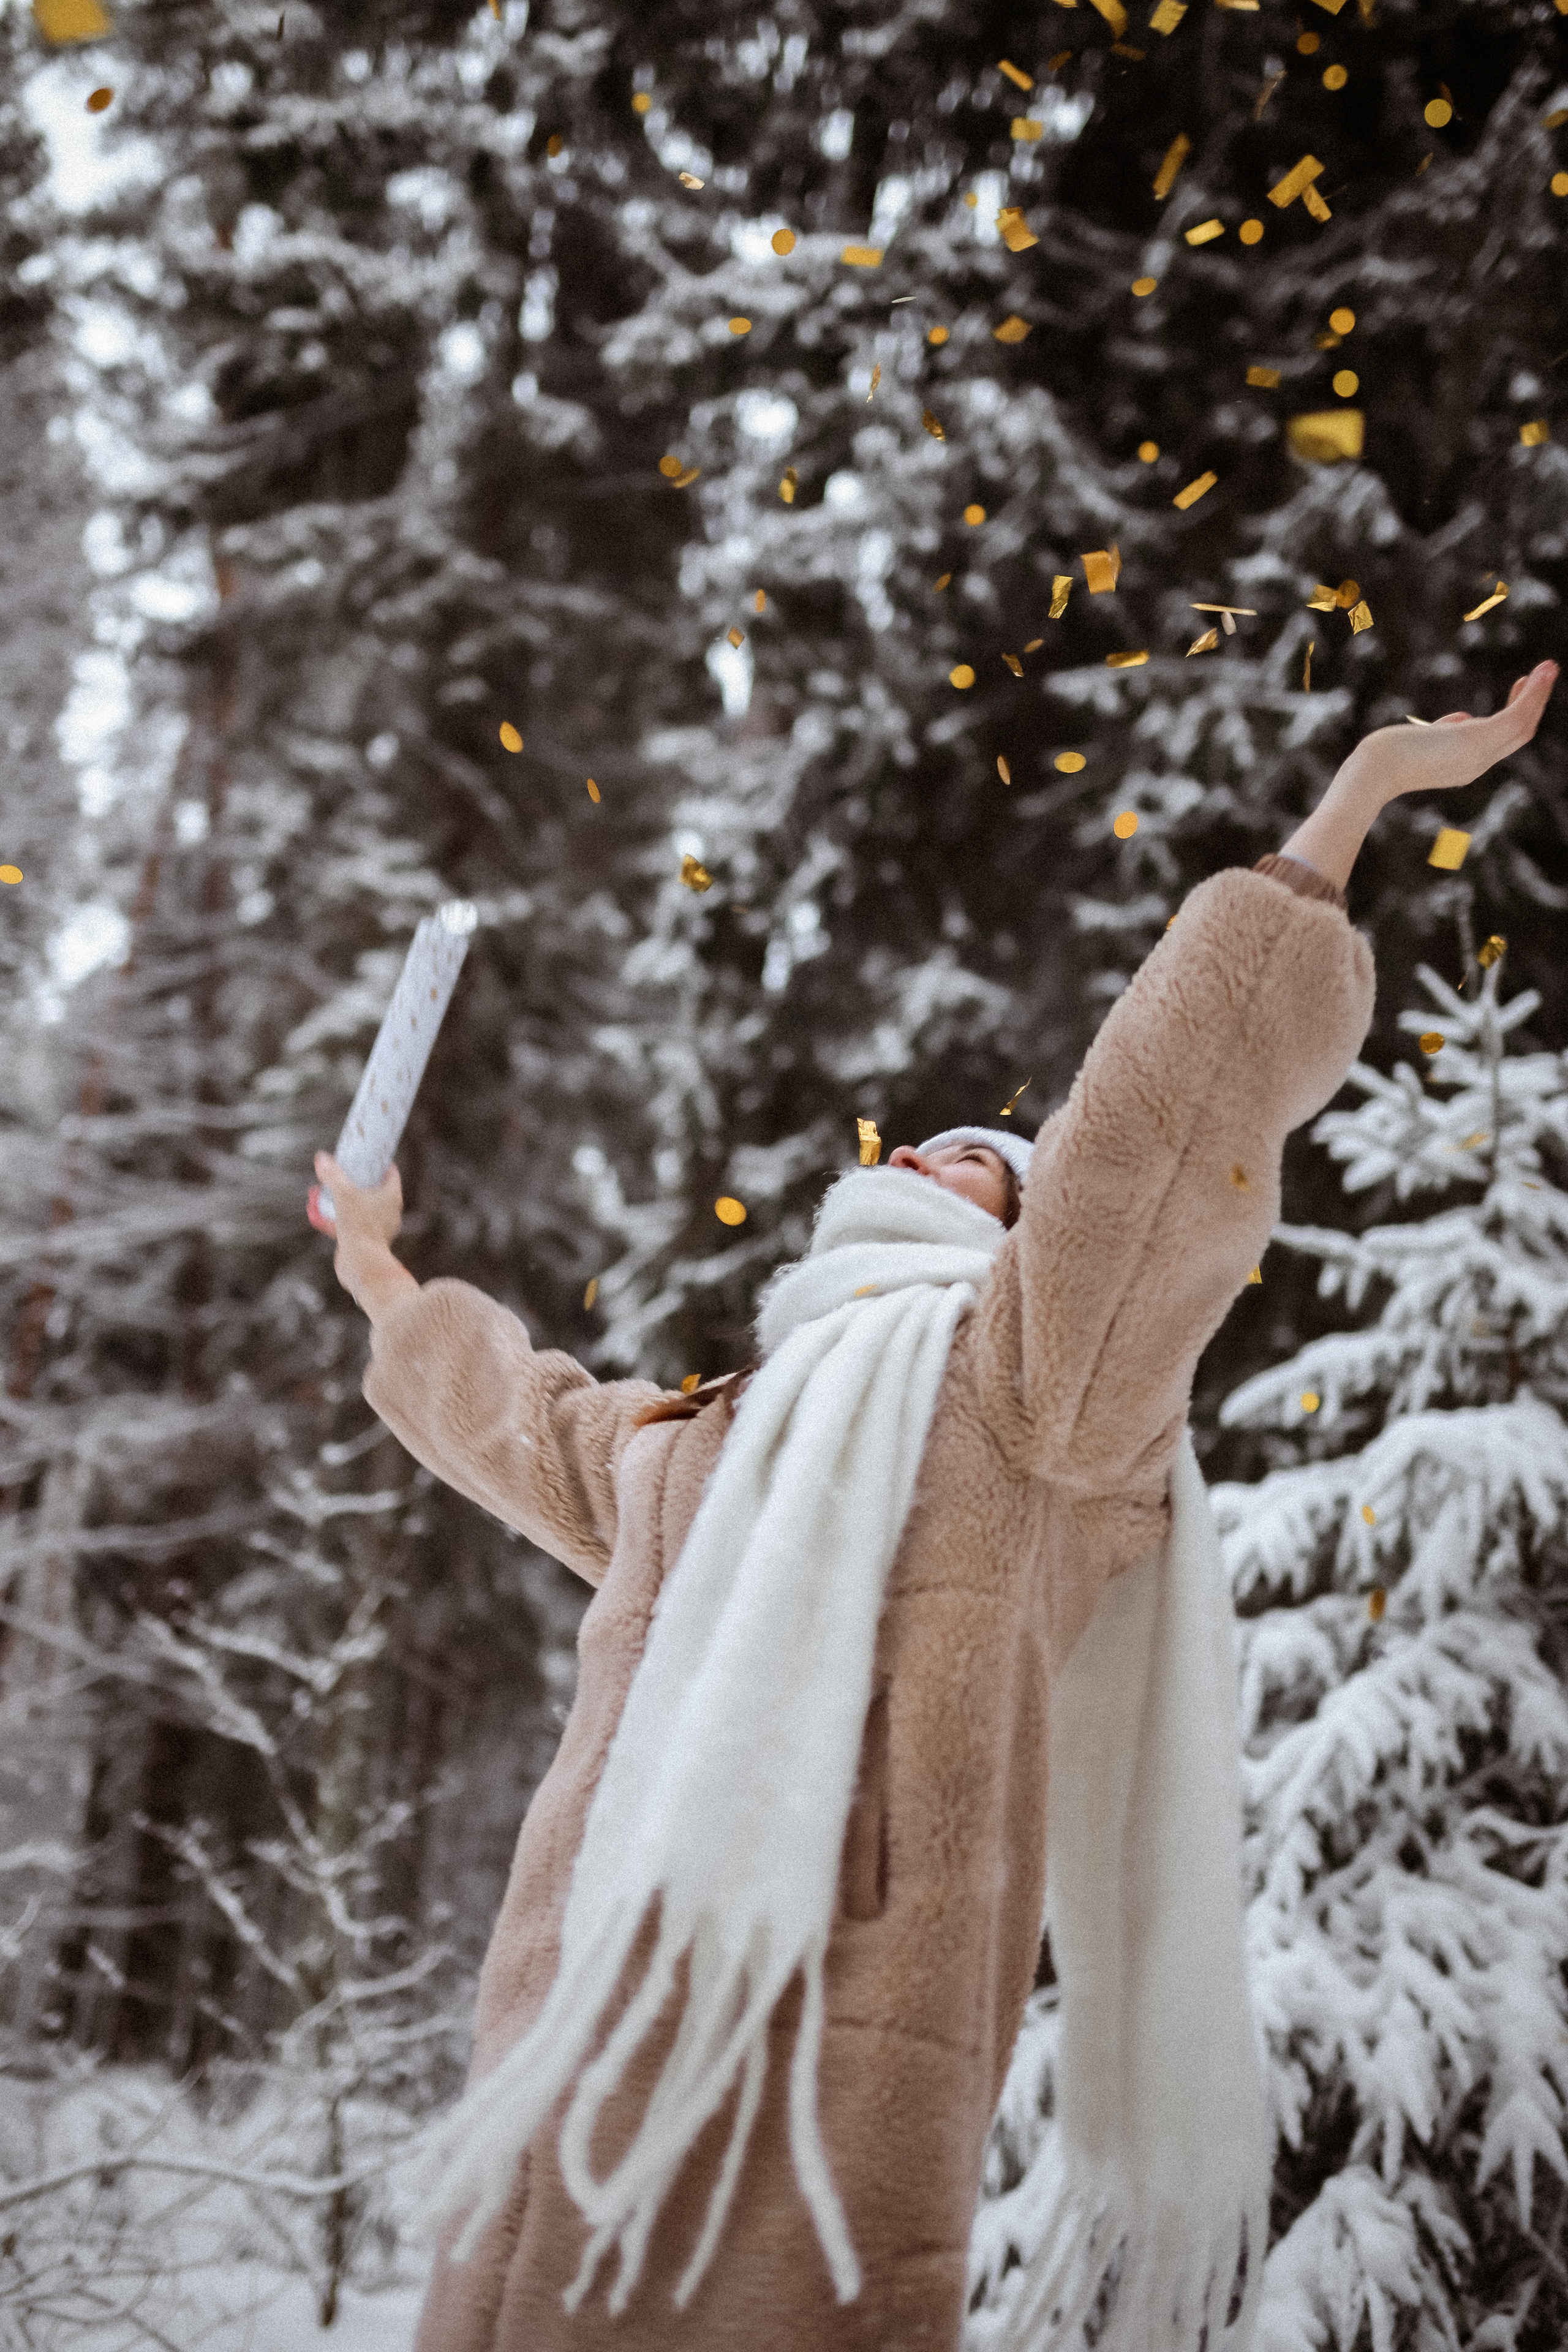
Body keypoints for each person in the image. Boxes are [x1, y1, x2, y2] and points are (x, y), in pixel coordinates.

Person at [311, 663, 1556, 2352]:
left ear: (1022, 1225)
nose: (914, 1155)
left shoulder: (1033, 1384)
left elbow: (1158, 1133)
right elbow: (513, 1415)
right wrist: (378, 1265)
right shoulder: (713, 1440)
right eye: (911, 1145)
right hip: (580, 2015)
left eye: (972, 1154)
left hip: (825, 2048)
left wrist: (1353, 806)